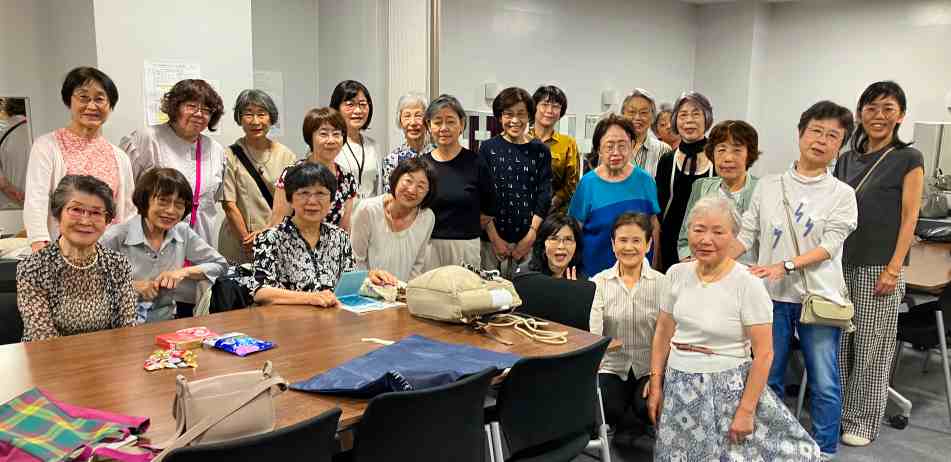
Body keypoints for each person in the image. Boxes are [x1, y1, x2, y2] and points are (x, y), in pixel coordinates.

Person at [649, 196, 820, 460]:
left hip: (728, 390)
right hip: (678, 384)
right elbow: (663, 332)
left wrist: (746, 410)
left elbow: (764, 354)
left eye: (718, 232)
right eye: (698, 229)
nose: (706, 239)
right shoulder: (676, 274)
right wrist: (656, 383)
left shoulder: (748, 283)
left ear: (733, 236)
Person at [734, 100, 857, 459]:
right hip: (770, 297)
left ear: (840, 145)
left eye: (832, 136)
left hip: (819, 299)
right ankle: (771, 445)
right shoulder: (769, 185)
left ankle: (825, 449)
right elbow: (747, 235)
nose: (821, 140)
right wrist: (712, 257)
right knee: (767, 376)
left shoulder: (842, 194)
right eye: (816, 131)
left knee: (824, 380)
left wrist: (785, 266)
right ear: (801, 134)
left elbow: (829, 247)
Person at [835, 81, 924, 447]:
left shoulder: (908, 158)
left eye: (888, 108)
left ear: (900, 115)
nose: (879, 115)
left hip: (879, 267)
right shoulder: (846, 159)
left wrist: (894, 268)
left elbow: (910, 217)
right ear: (860, 114)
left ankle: (863, 420)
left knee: (871, 347)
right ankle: (837, 411)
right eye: (871, 108)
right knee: (840, 344)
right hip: (841, 264)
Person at [251, 162, 395, 307]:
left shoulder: (339, 237)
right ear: (290, 199)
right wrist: (310, 298)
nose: (312, 201)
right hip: (288, 318)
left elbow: (348, 286)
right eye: (304, 193)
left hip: (333, 316)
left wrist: (370, 277)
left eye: (320, 193)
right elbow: (261, 292)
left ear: (331, 200)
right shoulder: (270, 238)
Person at [24, 67, 135, 252]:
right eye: (83, 97)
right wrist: (40, 247)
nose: (91, 106)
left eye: (99, 99)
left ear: (110, 105)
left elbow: (128, 211)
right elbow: (36, 200)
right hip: (60, 252)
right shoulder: (46, 146)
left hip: (108, 255)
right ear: (69, 100)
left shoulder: (120, 156)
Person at [17, 175, 136, 341]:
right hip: (48, 355)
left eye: (96, 212)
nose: (85, 221)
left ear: (107, 220)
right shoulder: (34, 267)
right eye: (76, 210)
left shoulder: (118, 264)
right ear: (58, 214)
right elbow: (44, 339)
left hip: (107, 354)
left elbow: (127, 330)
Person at [101, 168, 228, 323]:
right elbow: (88, 286)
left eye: (179, 205)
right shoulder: (115, 237)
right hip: (118, 325)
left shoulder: (182, 232)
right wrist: (132, 287)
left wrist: (182, 273)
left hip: (165, 323)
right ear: (145, 200)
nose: (170, 211)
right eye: (163, 201)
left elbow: (220, 264)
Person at [590, 213, 668, 434]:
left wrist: (659, 377)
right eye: (622, 240)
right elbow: (593, 332)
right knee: (607, 409)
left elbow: (670, 335)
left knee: (648, 407)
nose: (629, 247)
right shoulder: (598, 282)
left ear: (648, 244)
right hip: (612, 367)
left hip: (650, 369)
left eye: (636, 240)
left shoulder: (663, 284)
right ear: (613, 244)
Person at [128, 79, 226, 247]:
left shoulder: (215, 150)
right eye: (191, 106)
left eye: (206, 110)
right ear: (175, 107)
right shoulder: (147, 139)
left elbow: (213, 197)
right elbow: (126, 194)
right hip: (151, 242)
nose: (199, 114)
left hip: (199, 244)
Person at [569, 114, 660, 277]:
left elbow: (654, 226)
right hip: (594, 275)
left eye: (622, 146)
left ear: (633, 145)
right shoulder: (587, 184)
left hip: (638, 275)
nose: (616, 152)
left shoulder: (645, 181)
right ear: (599, 149)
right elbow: (575, 230)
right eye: (609, 146)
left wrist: (654, 265)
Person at [480, 87, 553, 278]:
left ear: (529, 116)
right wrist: (494, 238)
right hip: (491, 240)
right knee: (490, 292)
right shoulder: (488, 149)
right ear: (499, 116)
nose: (515, 120)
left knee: (526, 292)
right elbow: (482, 196)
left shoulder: (540, 151)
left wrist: (531, 236)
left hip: (528, 240)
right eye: (508, 114)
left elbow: (544, 195)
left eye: (521, 114)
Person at [218, 89, 297, 264]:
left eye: (261, 114)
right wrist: (248, 242)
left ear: (271, 117)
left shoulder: (286, 156)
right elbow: (229, 205)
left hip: (276, 238)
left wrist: (266, 237)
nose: (255, 121)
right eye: (248, 114)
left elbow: (290, 204)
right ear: (240, 118)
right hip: (237, 241)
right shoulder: (229, 155)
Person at [422, 94, 497, 271]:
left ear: (462, 124)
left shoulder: (476, 162)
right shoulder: (422, 166)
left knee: (466, 288)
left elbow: (489, 208)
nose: (443, 128)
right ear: (429, 126)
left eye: (450, 121)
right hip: (429, 245)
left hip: (466, 245)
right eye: (437, 122)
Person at [678, 120, 761, 265]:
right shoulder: (701, 187)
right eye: (721, 150)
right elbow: (685, 240)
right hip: (705, 269)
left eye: (737, 150)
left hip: (749, 271)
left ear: (749, 154)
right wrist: (691, 265)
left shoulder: (762, 190)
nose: (728, 158)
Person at [655, 91, 716, 272]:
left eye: (696, 114)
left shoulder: (717, 159)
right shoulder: (667, 160)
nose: (689, 120)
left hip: (707, 244)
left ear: (707, 118)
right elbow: (659, 210)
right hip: (669, 246)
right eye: (683, 115)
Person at [269, 107, 357, 230]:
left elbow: (345, 229)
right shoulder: (291, 174)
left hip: (332, 242)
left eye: (336, 134)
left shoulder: (347, 179)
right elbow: (278, 224)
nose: (331, 140)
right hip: (293, 241)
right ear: (310, 137)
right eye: (323, 134)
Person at [351, 157, 436, 281]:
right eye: (408, 181)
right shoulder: (368, 210)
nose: (412, 190)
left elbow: (417, 264)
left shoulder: (427, 218)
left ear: (428, 192)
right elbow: (355, 260)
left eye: (421, 186)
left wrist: (406, 290)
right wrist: (370, 280)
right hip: (368, 288)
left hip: (403, 290)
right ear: (396, 178)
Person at [530, 85, 580, 215]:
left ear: (560, 113)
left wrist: (551, 204)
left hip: (553, 215)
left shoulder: (568, 144)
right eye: (544, 104)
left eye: (556, 106)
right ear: (534, 107)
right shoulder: (521, 139)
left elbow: (572, 184)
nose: (549, 110)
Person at [330, 80, 382, 201]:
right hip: (341, 211)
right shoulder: (328, 144)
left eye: (362, 104)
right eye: (350, 104)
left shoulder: (373, 145)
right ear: (337, 108)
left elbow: (378, 189)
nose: (358, 111)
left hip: (371, 211)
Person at [382, 93, 432, 193]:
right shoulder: (391, 160)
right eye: (407, 116)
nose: (413, 122)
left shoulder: (439, 155)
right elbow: (390, 196)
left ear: (427, 121)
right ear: (400, 122)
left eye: (418, 115)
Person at [516, 213, 585, 280]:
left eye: (568, 239)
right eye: (554, 239)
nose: (561, 246)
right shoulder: (524, 276)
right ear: (543, 244)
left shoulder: (583, 282)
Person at [620, 88, 673, 176]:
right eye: (632, 112)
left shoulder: (664, 150)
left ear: (652, 117)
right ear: (623, 115)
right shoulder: (612, 148)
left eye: (643, 112)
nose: (637, 117)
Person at [0, 97, 30, 207]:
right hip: (38, 207)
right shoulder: (44, 131)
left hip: (6, 207)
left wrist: (6, 187)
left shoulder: (2, 129)